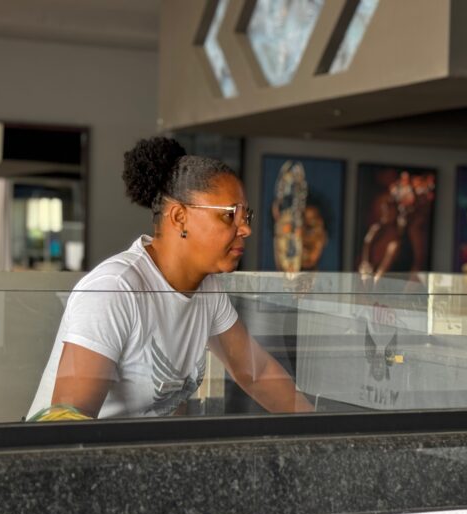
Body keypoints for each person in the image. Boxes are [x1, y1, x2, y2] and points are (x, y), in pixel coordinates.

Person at [27, 137, 314, 420]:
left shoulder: (207, 289)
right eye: (229, 216)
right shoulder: (115, 289)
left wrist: (321, 430)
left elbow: (256, 372)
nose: (245, 230)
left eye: (245, 217)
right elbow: (66, 423)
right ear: (179, 217)